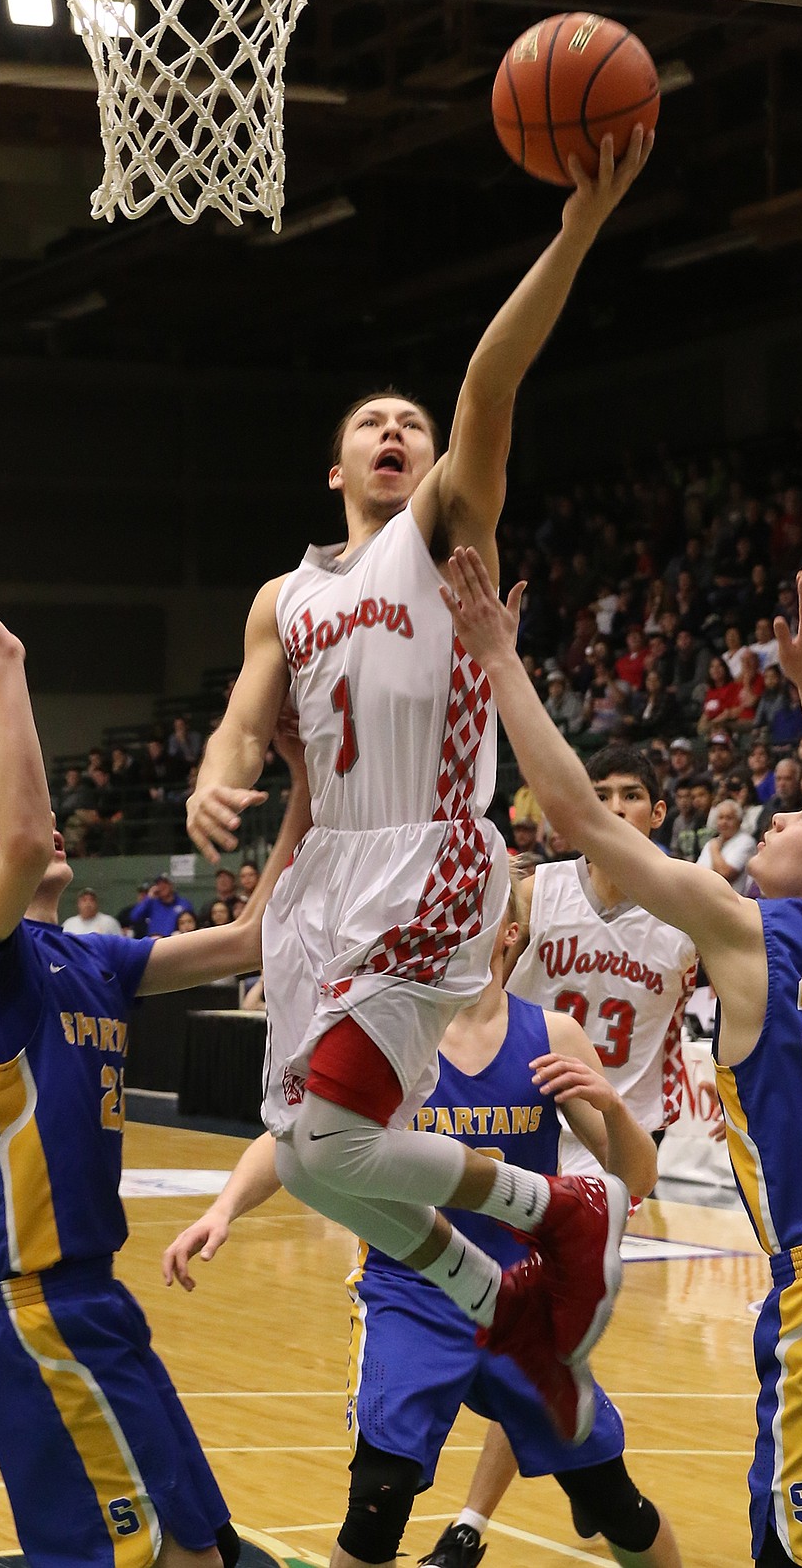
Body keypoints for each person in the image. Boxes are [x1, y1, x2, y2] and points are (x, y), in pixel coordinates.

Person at [185, 134, 653, 1445]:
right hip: (319, 881)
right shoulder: (285, 593)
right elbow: (242, 716)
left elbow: (488, 380)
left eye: (409, 424)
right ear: (332, 467)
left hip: (431, 857)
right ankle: (490, 1290)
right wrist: (215, 785)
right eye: (368, 425)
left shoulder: (444, 526)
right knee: (317, 1159)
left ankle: (548, 1209)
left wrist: (569, 237)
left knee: (332, 1141)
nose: (395, 431)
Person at [440, 546, 802, 1568]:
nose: (779, 812)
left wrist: (502, 659)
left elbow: (578, 819)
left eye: (797, 815)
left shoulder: (748, 934)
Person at [0, 559, 312, 1568]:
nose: (43, 831)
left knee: (204, 1553)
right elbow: (28, 834)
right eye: (6, 823)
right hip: (28, 1303)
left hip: (97, 1295)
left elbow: (252, 939)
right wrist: (8, 665)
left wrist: (311, 788)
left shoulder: (95, 956)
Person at [162, 889, 679, 1568]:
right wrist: (222, 1207)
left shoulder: (553, 1035)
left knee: (614, 1500)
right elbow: (295, 1135)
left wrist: (612, 1106)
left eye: (480, 908)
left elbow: (636, 1179)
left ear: (510, 933)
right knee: (380, 1494)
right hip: (413, 1291)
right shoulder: (393, 1031)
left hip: (523, 1297)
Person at [425, 748, 697, 1565]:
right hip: (524, 1127)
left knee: (536, 1337)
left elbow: (742, 994)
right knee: (524, 1341)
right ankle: (580, 1484)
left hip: (614, 1148)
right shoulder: (537, 892)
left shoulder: (688, 909)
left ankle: (481, 1519)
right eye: (600, 791)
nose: (613, 804)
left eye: (632, 794)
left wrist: (729, 1077)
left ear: (658, 812)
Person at [130, 874, 196, 939]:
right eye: (159, 884)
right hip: (155, 942)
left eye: (165, 883)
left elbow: (191, 926)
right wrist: (148, 898)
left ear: (171, 885)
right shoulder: (152, 902)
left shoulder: (183, 904)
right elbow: (134, 917)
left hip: (175, 941)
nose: (162, 886)